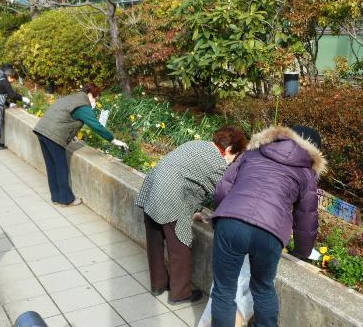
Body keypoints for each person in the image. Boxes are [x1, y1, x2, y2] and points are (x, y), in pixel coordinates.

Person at [209, 125, 326, 327]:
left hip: (230, 221)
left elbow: (222, 189)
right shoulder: (307, 173)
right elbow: (305, 217)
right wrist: (302, 251)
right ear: (312, 149)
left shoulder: (252, 153)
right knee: (263, 288)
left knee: (223, 290)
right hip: (270, 233)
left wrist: (222, 216)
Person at [135, 126, 248, 304]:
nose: (232, 162)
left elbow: (190, 179)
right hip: (169, 196)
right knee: (180, 247)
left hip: (151, 188)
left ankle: (158, 284)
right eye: (235, 156)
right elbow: (222, 194)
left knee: (155, 240)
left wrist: (195, 212)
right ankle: (180, 294)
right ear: (228, 150)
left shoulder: (197, 144)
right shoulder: (218, 164)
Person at [33, 84, 129, 207]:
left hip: (42, 130)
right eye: (96, 99)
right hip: (53, 135)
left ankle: (56, 197)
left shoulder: (74, 97)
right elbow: (96, 126)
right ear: (90, 95)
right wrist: (113, 140)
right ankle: (66, 200)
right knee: (61, 167)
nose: (95, 102)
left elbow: (65, 116)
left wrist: (71, 133)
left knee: (51, 166)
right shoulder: (83, 106)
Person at [0, 65, 28, 150]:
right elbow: (11, 95)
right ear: (9, 76)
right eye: (13, 79)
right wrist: (22, 98)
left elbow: (1, 93)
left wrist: (8, 104)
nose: (13, 82)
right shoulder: (5, 81)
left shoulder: (0, 79)